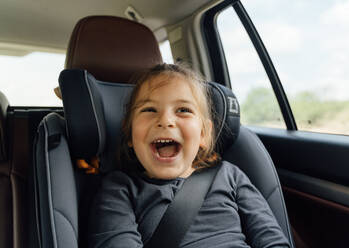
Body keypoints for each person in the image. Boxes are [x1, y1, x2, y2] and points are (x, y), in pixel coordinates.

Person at [88, 63, 290, 248]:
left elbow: (272, 240)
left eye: (183, 110)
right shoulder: (119, 189)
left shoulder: (230, 176)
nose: (166, 121)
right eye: (149, 109)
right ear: (129, 133)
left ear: (203, 134)